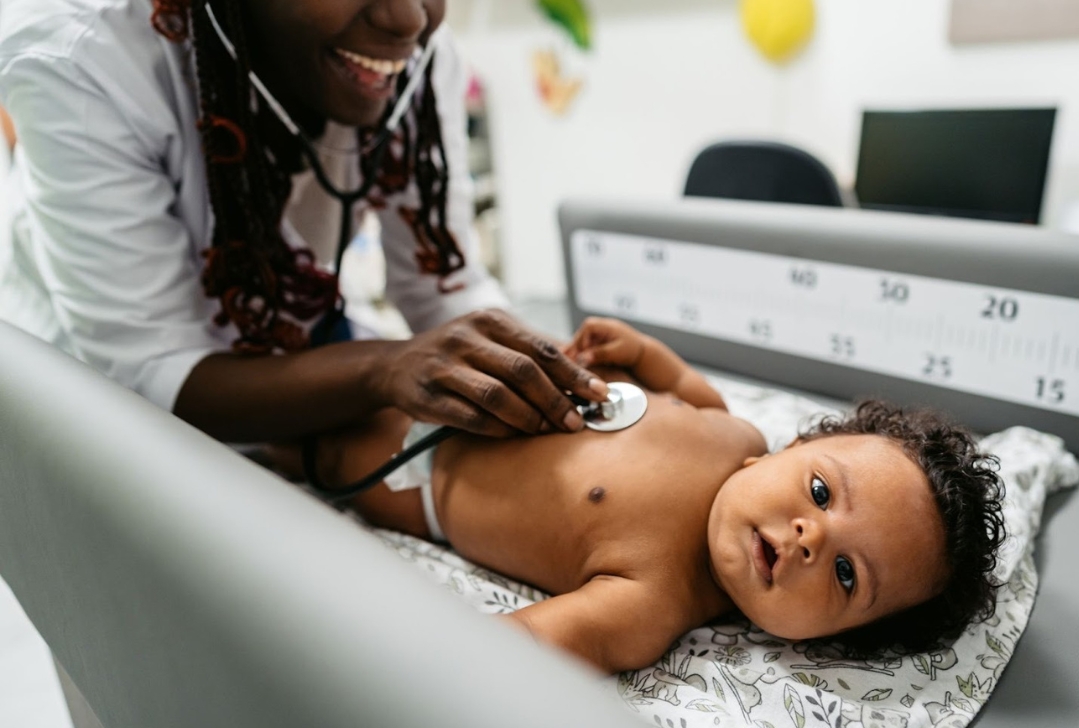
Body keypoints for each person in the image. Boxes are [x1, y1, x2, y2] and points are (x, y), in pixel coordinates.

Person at [0, 0, 606, 445]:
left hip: (284, 351)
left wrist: (553, 368)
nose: (409, 21)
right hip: (99, 400)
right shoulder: (80, 60)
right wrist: (382, 367)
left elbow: (440, 287)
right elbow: (155, 373)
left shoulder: (413, 60)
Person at [311, 317, 1007, 674]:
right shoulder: (735, 431)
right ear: (791, 448)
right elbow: (686, 390)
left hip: (415, 473)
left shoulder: (653, 600)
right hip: (468, 379)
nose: (811, 539)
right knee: (338, 362)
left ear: (835, 636)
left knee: (314, 445)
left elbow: (527, 641)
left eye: (846, 575)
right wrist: (643, 353)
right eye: (821, 491)